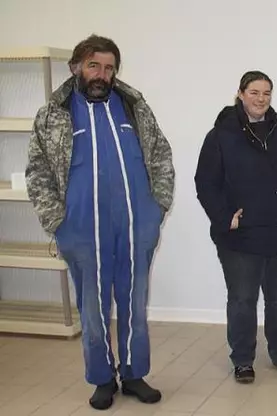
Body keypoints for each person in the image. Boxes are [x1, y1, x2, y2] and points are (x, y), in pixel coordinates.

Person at [24, 34, 174, 410]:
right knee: (92, 309)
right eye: (94, 65)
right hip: (80, 229)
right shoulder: (54, 114)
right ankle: (102, 378)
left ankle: (135, 373)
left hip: (135, 226)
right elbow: (37, 171)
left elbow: (160, 156)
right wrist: (56, 221)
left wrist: (157, 209)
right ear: (76, 66)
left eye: (108, 68)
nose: (101, 74)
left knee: (133, 303)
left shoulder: (133, 108)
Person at [195, 70, 277, 383]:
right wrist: (225, 218)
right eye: (254, 92)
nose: (261, 99)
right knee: (243, 300)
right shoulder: (221, 135)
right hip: (241, 238)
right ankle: (243, 360)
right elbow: (205, 183)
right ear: (240, 94)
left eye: (266, 93)